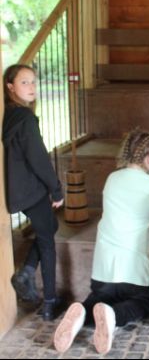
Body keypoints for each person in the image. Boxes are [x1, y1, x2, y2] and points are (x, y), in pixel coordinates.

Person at [53, 128, 149, 354]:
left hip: (105, 267)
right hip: (135, 269)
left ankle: (81, 314)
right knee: (143, 302)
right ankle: (114, 316)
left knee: (99, 298)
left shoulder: (112, 179)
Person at [3, 64, 64, 321]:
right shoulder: (25, 119)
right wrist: (56, 189)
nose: (32, 87)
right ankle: (49, 302)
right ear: (10, 87)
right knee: (47, 241)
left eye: (33, 82)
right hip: (31, 188)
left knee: (49, 227)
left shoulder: (9, 115)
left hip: (18, 189)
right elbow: (38, 158)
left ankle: (27, 272)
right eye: (24, 82)